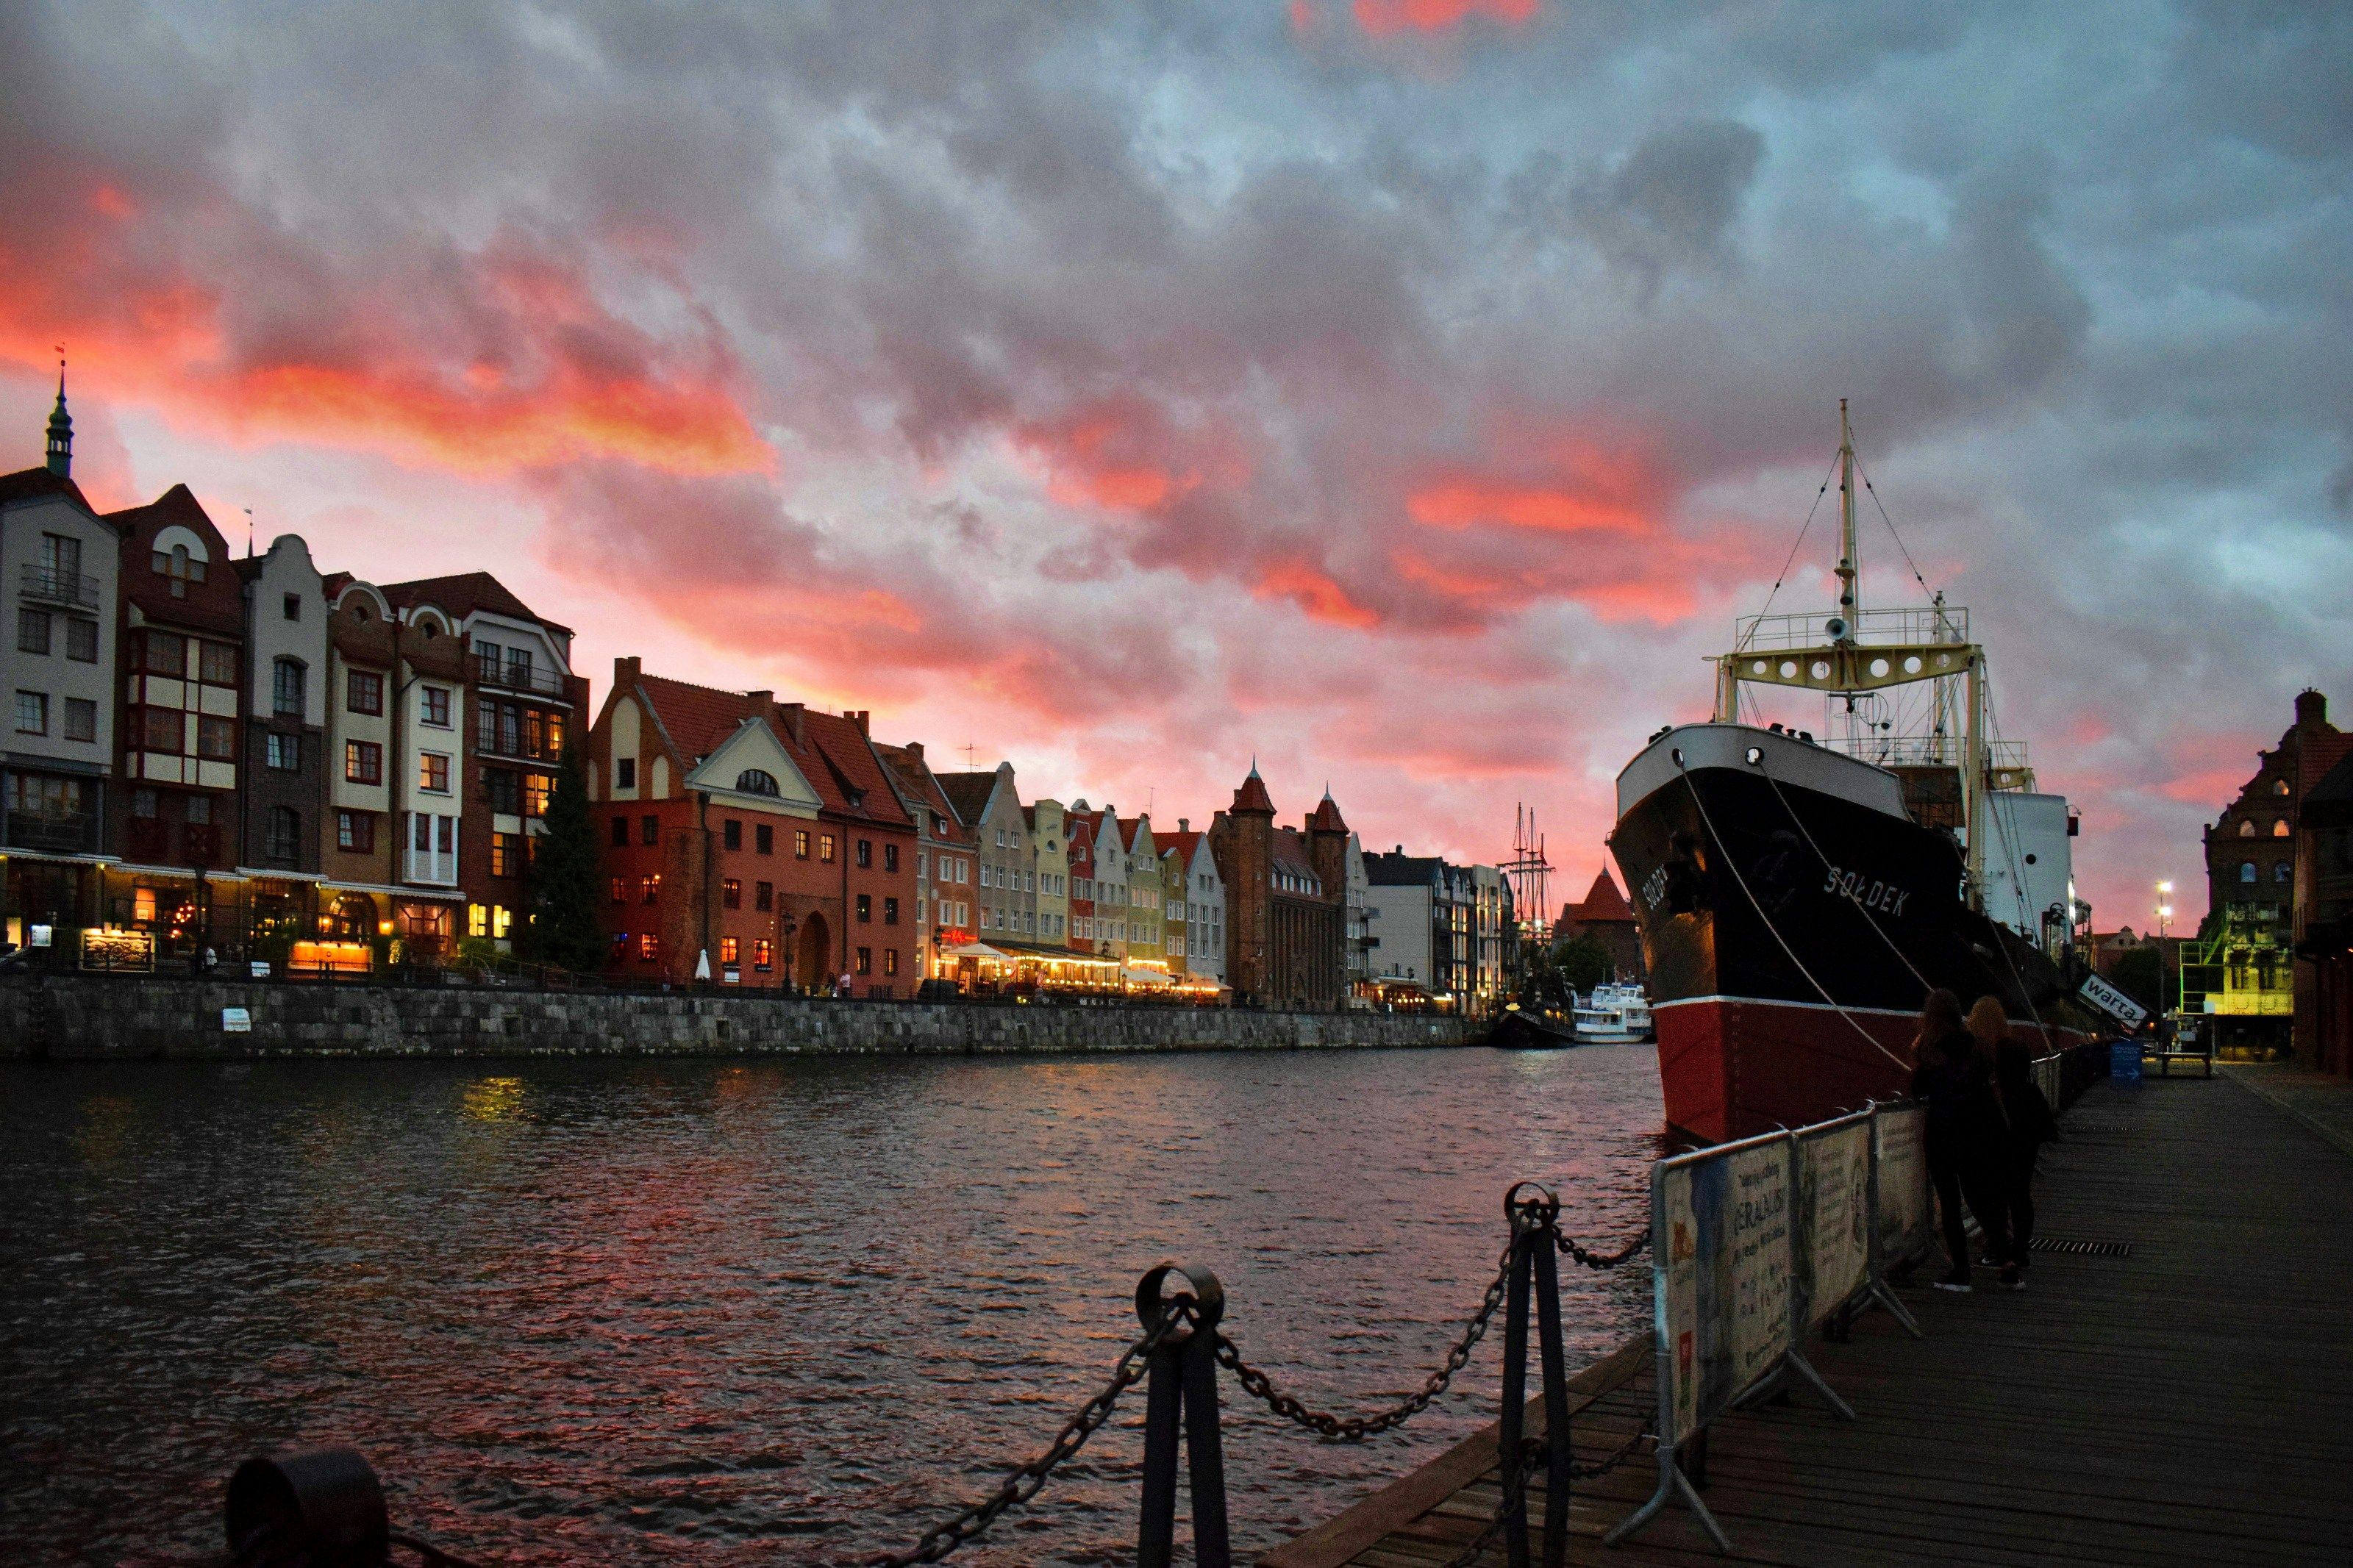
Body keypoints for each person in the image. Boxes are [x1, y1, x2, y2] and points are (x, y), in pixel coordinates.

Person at [1910, 989, 2012, 1292]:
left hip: (1943, 1132)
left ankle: (1961, 1272)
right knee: (1980, 1196)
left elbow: (1918, 1089)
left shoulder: (1930, 1049)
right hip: (1975, 1130)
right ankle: (2008, 1264)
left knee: (1950, 1203)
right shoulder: (1977, 1047)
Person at [1979, 1000, 2059, 1288]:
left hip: (2008, 1141)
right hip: (2028, 1138)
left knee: (1999, 1195)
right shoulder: (2023, 1067)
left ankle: (2003, 1250)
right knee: (2021, 1195)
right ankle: (2020, 1249)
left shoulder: (1999, 1076)